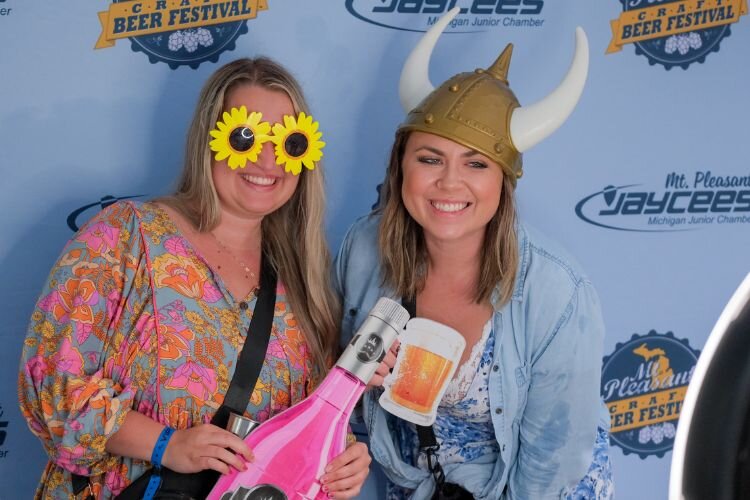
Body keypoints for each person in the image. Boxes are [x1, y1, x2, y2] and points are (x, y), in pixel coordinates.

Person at [18, 57, 370, 499]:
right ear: (209, 140)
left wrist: (343, 457)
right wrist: (167, 444)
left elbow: (305, 423)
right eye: (246, 137)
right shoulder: (125, 236)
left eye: (288, 142)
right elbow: (54, 387)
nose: (267, 159)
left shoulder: (305, 283)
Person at [334, 10, 613, 500]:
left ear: (502, 184)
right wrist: (356, 376)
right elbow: (338, 398)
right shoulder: (362, 250)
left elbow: (554, 456)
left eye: (476, 164)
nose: (449, 183)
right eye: (430, 159)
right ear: (401, 165)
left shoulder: (556, 289)